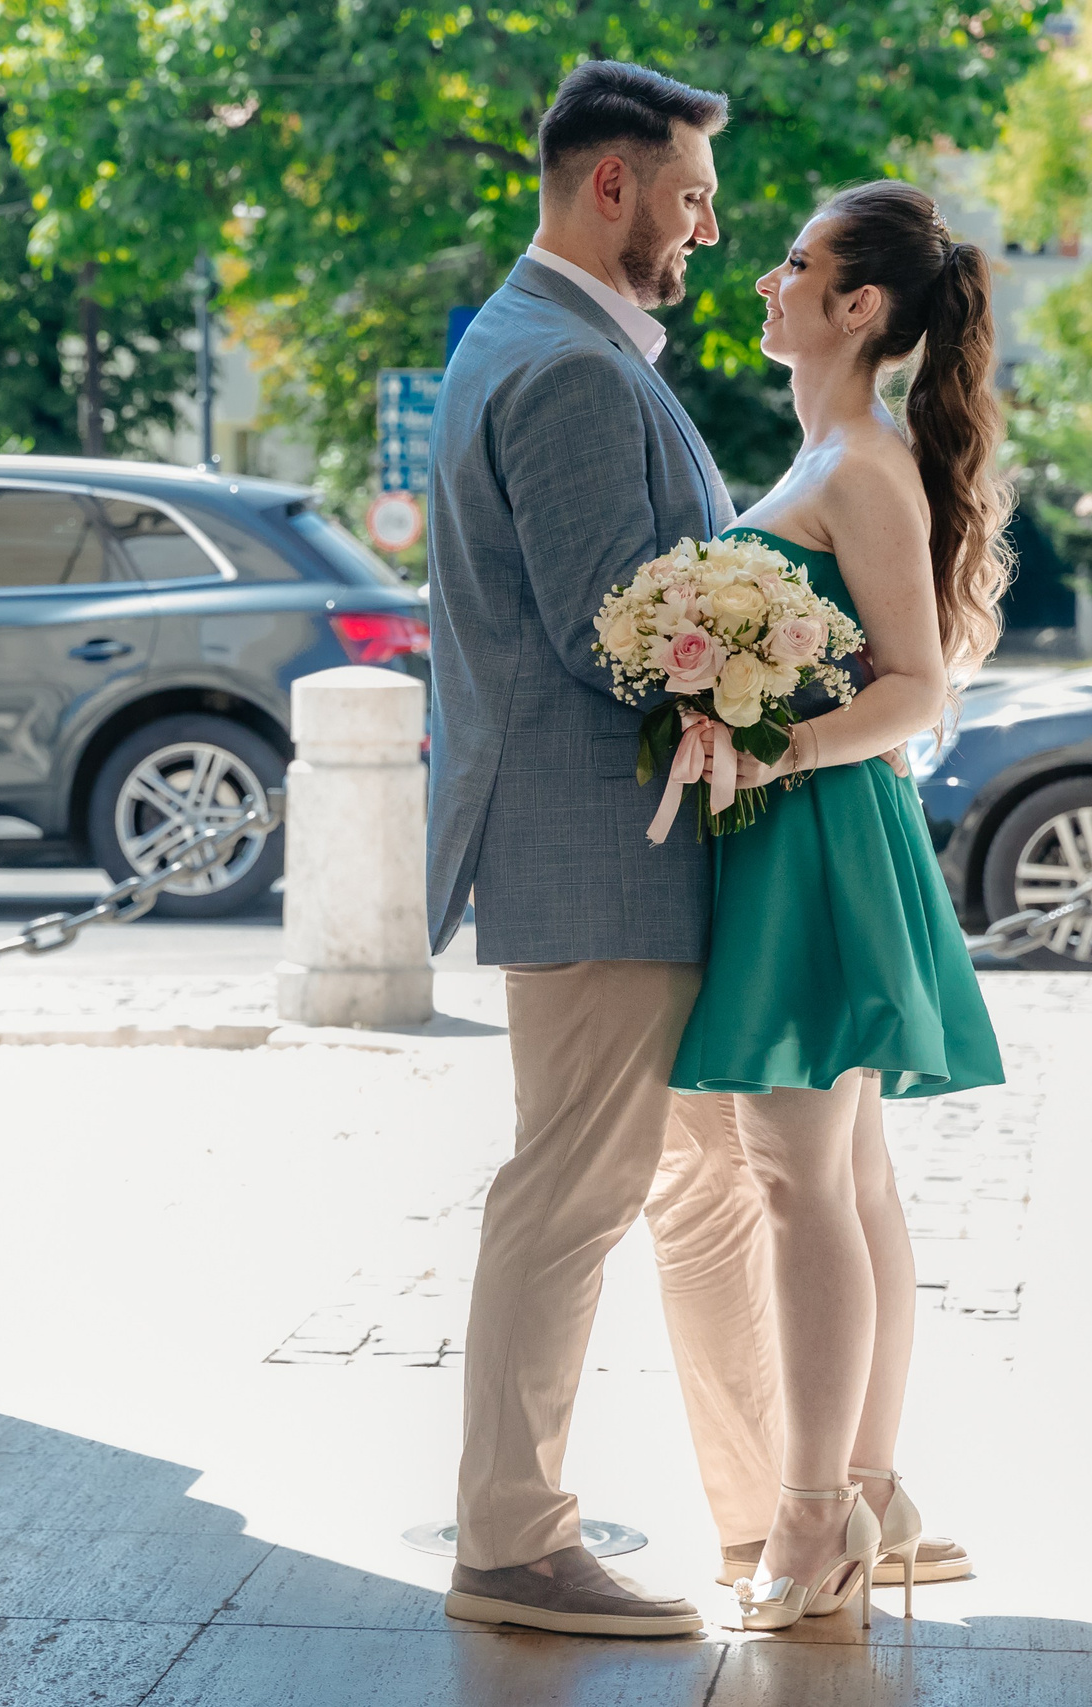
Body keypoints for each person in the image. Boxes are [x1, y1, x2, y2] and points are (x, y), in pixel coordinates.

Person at [657, 178, 1011, 1631]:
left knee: (806, 1183)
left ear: (857, 308)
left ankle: (814, 1528)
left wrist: (768, 747)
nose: (763, 280)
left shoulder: (860, 461)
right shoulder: (836, 451)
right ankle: (871, 1489)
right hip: (802, 831)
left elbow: (913, 686)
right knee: (844, 1180)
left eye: (793, 263)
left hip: (815, 831)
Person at [422, 58, 734, 1638]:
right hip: (600, 848)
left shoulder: (545, 342)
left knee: (704, 1179)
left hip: (605, 844)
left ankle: (779, 1508)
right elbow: (622, 627)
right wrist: (785, 660)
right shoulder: (568, 368)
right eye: (688, 198)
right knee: (574, 1190)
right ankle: (513, 1540)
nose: (705, 232)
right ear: (609, 185)